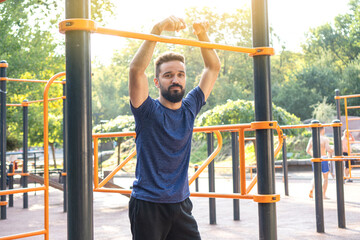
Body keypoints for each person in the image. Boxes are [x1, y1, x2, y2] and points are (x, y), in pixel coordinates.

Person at [128, 16, 221, 240]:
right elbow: (135, 70)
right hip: (148, 205)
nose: (175, 80)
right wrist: (157, 28)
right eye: (168, 75)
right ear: (157, 82)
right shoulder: (146, 111)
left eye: (180, 74)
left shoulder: (190, 108)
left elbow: (213, 67)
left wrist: (201, 34)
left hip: (180, 205)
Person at [306, 127, 333, 199]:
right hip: (323, 158)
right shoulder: (325, 139)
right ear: (323, 129)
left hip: (316, 159)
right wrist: (333, 149)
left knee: (316, 176)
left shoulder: (312, 139)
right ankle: (323, 195)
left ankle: (311, 189)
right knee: (325, 177)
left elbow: (307, 150)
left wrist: (314, 155)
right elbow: (328, 149)